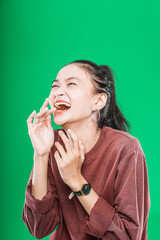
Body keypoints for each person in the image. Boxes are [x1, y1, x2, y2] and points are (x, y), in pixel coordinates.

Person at [22, 60, 150, 240]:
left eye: (71, 84)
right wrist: (41, 155)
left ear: (98, 101)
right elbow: (39, 227)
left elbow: (127, 237)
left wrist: (76, 180)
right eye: (55, 86)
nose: (58, 91)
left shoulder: (126, 149)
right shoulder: (51, 144)